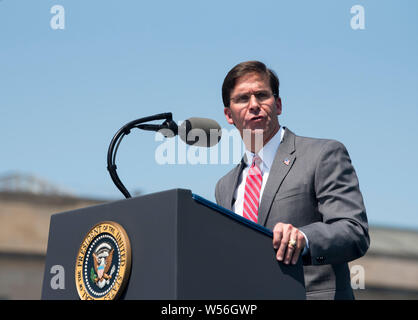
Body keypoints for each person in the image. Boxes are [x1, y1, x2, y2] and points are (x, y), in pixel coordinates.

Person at [215, 60, 370, 300]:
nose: (254, 105)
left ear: (277, 105)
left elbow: (353, 231)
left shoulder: (322, 154)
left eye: (262, 95)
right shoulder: (224, 186)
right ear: (229, 114)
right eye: (243, 99)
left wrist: (304, 238)